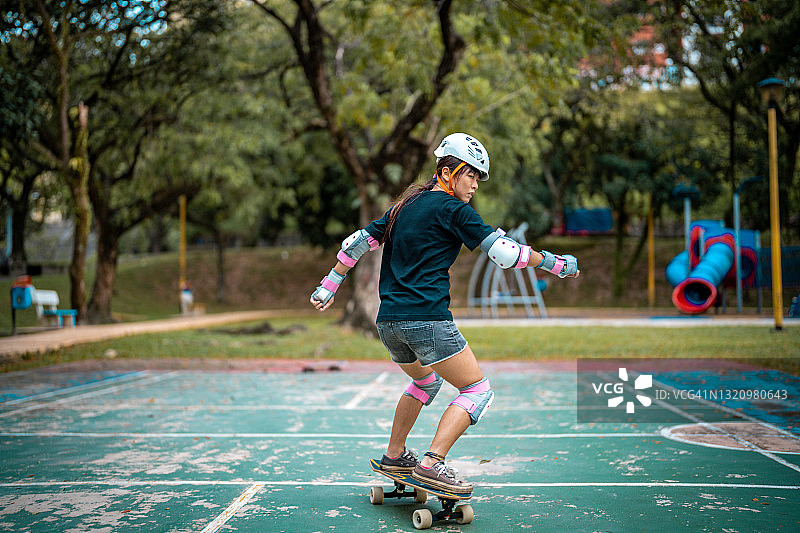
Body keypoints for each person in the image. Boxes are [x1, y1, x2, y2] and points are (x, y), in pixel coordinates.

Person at [310, 132, 580, 494]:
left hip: (389, 322)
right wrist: (556, 263)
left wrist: (330, 283)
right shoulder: (454, 210)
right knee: (477, 391)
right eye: (471, 175)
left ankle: (394, 455)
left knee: (426, 382)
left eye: (478, 178)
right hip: (427, 320)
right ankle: (431, 464)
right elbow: (505, 253)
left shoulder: (405, 206)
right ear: (448, 172)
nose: (475, 185)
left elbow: (356, 243)